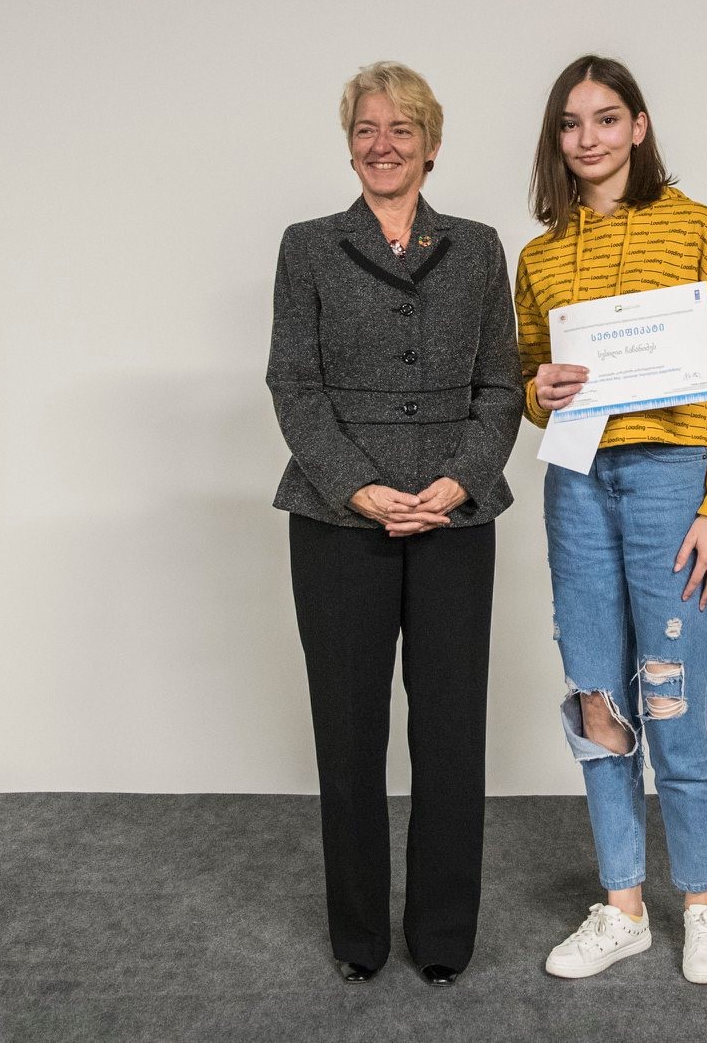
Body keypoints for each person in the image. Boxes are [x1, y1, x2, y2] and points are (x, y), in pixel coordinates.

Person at [516, 55, 707, 985]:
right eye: (570, 122)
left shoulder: (696, 227)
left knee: (673, 698)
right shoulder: (540, 256)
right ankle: (622, 905)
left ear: (639, 126)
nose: (587, 137)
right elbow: (530, 385)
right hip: (578, 485)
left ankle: (703, 900)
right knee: (599, 694)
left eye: (605, 118)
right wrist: (537, 390)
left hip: (675, 481)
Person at [266, 61, 521, 988]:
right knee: (349, 731)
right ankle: (359, 934)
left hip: (456, 516)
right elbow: (293, 384)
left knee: (450, 733)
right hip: (338, 521)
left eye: (401, 129)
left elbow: (503, 383)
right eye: (367, 129)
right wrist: (361, 488)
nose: (383, 144)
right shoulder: (308, 246)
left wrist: (457, 482)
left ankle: (443, 934)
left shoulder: (479, 247)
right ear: (350, 145)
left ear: (431, 145)